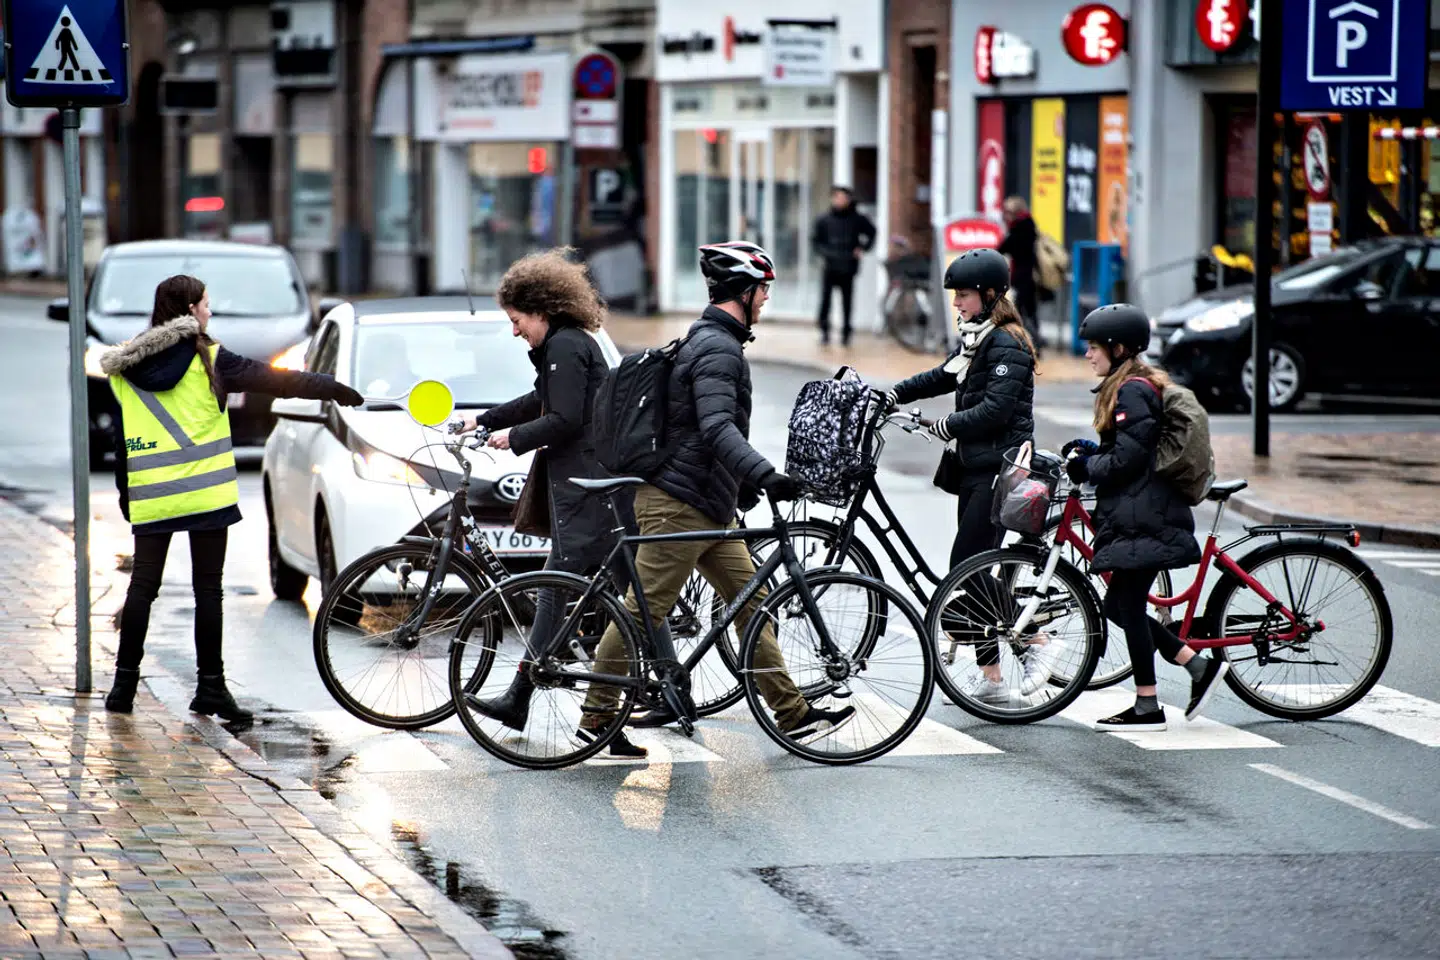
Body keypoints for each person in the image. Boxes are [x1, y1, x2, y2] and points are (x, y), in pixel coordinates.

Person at [581, 241, 856, 747]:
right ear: (744, 292)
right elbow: (715, 427)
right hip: (679, 504)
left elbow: (702, 433)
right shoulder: (717, 349)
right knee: (643, 613)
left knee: (754, 604)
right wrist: (764, 473)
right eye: (764, 289)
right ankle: (596, 715)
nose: (767, 298)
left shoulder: (711, 341)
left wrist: (742, 485)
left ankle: (792, 714)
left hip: (706, 503)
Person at [100, 275, 364, 720]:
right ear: (189, 310)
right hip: (205, 496)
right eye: (204, 304)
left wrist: (128, 496)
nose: (209, 311)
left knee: (143, 588)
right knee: (208, 592)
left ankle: (122, 689)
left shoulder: (125, 370)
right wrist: (332, 387)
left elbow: (127, 441)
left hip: (152, 498)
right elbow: (278, 381)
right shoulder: (211, 358)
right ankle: (211, 688)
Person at [454, 249, 655, 759]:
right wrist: (486, 420)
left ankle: (544, 697)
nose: (515, 331)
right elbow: (541, 399)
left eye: (517, 320)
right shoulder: (567, 344)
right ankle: (608, 707)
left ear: (540, 309)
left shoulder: (567, 345)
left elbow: (561, 418)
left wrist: (511, 439)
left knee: (578, 591)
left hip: (588, 486)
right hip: (594, 485)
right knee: (608, 593)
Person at [879, 247, 1058, 701]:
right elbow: (946, 376)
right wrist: (893, 393)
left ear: (990, 294)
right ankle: (993, 677)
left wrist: (945, 425)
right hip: (976, 467)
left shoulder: (1007, 342)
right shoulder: (979, 339)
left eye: (963, 296)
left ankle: (1035, 636)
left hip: (1001, 470)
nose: (956, 304)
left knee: (968, 565)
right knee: (972, 567)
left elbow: (995, 410)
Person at [1063, 304, 1229, 731]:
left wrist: (1086, 467)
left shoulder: (1132, 389)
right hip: (1142, 510)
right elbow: (1131, 445)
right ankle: (1196, 667)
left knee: (1128, 608)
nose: (1088, 355)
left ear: (1117, 349)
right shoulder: (1132, 386)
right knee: (1118, 607)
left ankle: (1148, 705)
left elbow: (1129, 459)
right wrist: (1091, 450)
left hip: (1147, 514)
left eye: (1094, 347)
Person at [811, 186, 876, 347]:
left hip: (848, 266)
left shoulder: (857, 219)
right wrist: (826, 253)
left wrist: (863, 248)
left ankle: (846, 332)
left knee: (847, 301)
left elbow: (872, 233)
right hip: (830, 266)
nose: (840, 201)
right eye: (837, 197)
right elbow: (815, 241)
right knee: (826, 300)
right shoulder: (824, 219)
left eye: (843, 198)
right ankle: (824, 330)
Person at [997, 196, 1041, 355]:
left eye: (1007, 212)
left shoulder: (1019, 229)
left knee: (1020, 312)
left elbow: (1003, 247)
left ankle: (1029, 344)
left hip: (1023, 277)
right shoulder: (1029, 225)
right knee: (1030, 312)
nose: (1005, 216)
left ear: (1015, 213)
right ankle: (1035, 344)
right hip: (1029, 276)